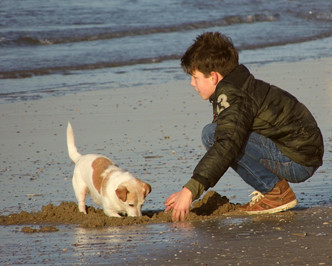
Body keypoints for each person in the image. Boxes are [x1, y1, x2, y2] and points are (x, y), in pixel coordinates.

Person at [164, 32, 324, 222]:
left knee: (213, 135)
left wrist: (190, 189)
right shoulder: (240, 85)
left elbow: (227, 144)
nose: (192, 83)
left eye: (195, 77)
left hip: (297, 162)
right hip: (303, 154)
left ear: (213, 77)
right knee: (220, 133)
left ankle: (275, 193)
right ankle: (274, 190)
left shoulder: (234, 97)